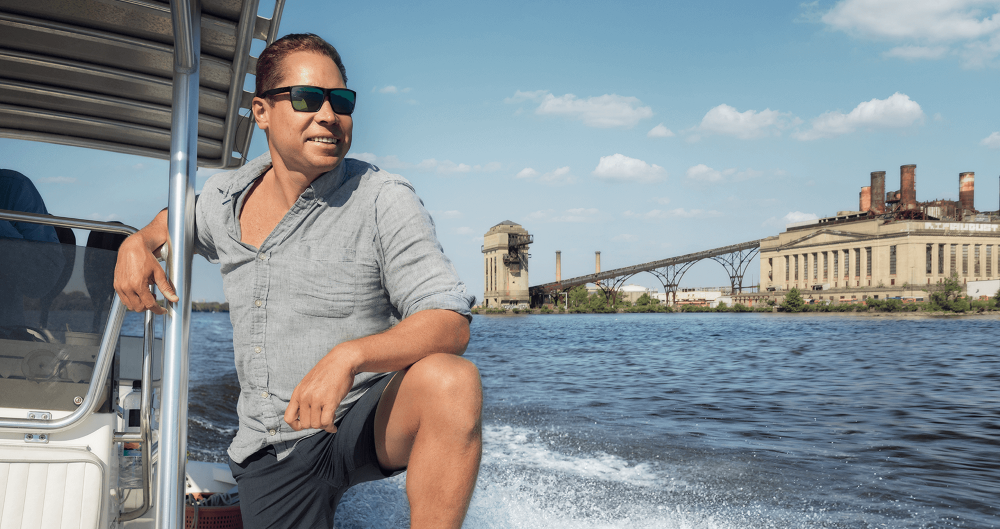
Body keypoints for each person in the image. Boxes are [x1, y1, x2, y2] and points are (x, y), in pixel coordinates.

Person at [114, 33, 482, 528]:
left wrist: (349, 357)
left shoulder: (383, 198)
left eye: (342, 101)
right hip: (273, 445)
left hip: (361, 416)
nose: (329, 115)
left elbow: (449, 321)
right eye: (308, 99)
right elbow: (174, 222)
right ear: (261, 111)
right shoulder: (224, 199)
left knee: (451, 382)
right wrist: (136, 242)